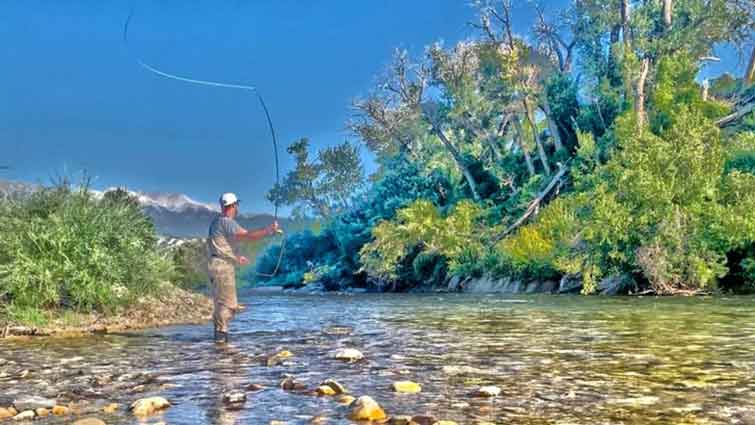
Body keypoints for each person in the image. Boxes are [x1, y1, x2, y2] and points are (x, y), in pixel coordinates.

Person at [207, 192, 278, 343]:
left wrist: (237, 257)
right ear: (233, 205)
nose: (238, 207)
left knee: (223, 303)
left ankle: (220, 341)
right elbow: (247, 236)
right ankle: (221, 342)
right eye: (237, 204)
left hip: (217, 265)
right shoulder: (226, 222)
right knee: (228, 305)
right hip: (222, 268)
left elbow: (221, 245)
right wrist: (268, 230)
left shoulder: (216, 222)